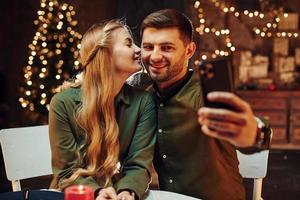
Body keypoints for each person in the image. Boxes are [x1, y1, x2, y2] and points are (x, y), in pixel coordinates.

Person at [134, 9, 271, 200]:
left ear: (189, 50)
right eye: (148, 47)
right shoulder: (142, 94)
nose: (155, 57)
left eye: (166, 48)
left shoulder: (206, 94)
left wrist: (252, 134)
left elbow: (250, 130)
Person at [48, 20, 156, 200]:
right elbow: (67, 170)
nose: (139, 50)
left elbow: (139, 164)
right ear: (105, 54)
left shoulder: (144, 102)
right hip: (75, 195)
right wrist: (96, 192)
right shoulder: (62, 103)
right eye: (129, 44)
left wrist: (127, 191)